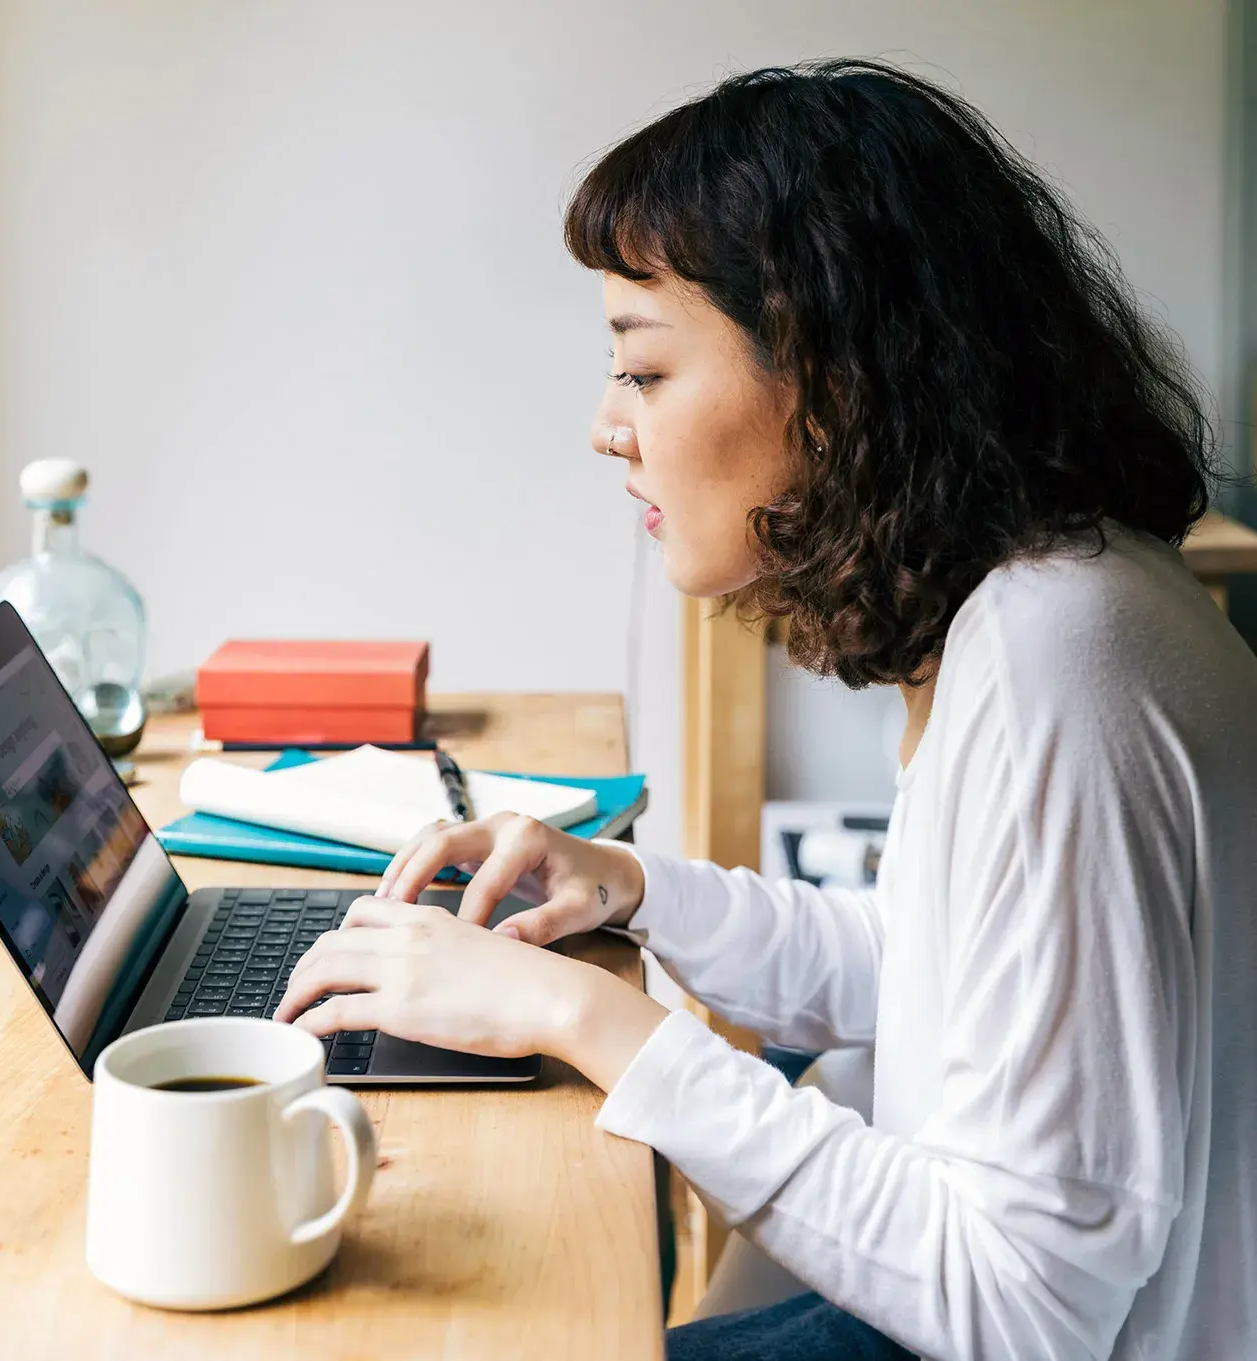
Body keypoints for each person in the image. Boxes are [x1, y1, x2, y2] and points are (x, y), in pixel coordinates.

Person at [275, 61, 1257, 1360]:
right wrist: (634, 890)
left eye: (645, 369)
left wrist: (582, 1019)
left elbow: (1026, 1307)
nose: (607, 428)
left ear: (835, 376)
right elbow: (934, 970)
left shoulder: (1056, 658)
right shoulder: (1068, 592)